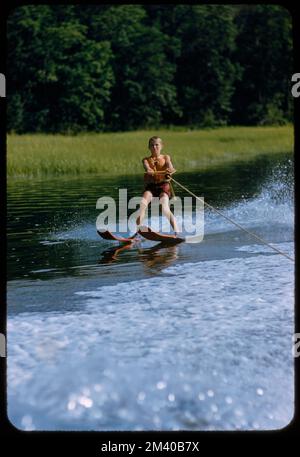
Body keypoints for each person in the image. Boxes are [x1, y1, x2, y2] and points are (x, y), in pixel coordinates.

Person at [136, 136, 179, 234]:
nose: (154, 147)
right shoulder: (146, 160)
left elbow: (170, 167)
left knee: (164, 208)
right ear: (149, 147)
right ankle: (137, 234)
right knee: (142, 206)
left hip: (163, 186)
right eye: (152, 145)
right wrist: (149, 170)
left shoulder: (166, 157)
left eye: (156, 145)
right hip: (151, 188)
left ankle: (177, 232)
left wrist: (169, 171)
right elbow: (147, 167)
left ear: (161, 146)